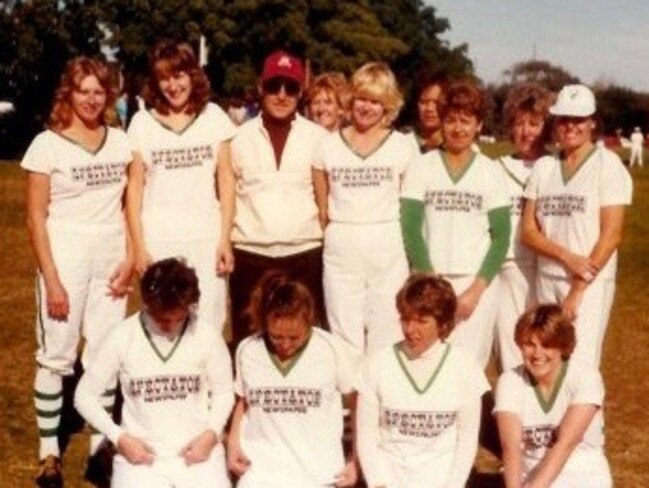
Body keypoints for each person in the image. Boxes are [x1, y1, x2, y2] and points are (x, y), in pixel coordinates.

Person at [22, 56, 133, 487]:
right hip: (65, 252)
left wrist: (128, 258)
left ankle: (100, 448)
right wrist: (51, 278)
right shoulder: (46, 145)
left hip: (110, 250)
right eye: (82, 90)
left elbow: (129, 207)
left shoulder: (121, 142)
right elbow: (34, 218)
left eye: (99, 91)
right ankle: (49, 453)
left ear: (109, 96)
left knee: (105, 352)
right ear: (67, 93)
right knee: (57, 354)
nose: (91, 99)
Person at [75, 258, 234, 487]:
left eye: (178, 318)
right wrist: (120, 438)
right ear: (147, 303)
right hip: (142, 458)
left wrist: (211, 434)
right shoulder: (123, 336)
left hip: (198, 453)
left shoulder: (206, 334)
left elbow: (224, 391)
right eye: (161, 319)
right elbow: (84, 396)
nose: (170, 325)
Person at [126, 40, 236, 334]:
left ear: (193, 76)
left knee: (209, 321)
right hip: (159, 238)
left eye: (179, 76)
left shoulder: (214, 116)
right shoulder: (141, 123)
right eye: (164, 78)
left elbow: (226, 180)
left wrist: (225, 238)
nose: (173, 86)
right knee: (164, 318)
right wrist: (138, 247)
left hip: (206, 237)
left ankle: (210, 380)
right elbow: (134, 189)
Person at [400, 79, 511, 367]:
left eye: (466, 120)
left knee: (468, 368)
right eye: (451, 120)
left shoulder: (490, 171)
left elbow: (501, 237)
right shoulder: (422, 166)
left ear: (479, 125)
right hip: (430, 278)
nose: (458, 128)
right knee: (428, 362)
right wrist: (428, 278)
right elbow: (411, 227)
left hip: (474, 284)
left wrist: (476, 291)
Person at [521, 84, 633, 367]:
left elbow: (611, 235)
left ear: (592, 122)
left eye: (579, 119)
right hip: (547, 279)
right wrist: (566, 256)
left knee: (581, 368)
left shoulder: (607, 165)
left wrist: (578, 289)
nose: (571, 126)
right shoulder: (544, 167)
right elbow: (529, 232)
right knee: (548, 365)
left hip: (588, 284)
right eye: (564, 119)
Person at [312, 62, 416, 360]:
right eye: (361, 98)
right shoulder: (328, 146)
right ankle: (352, 404)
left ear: (388, 106)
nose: (366, 107)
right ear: (350, 98)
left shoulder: (402, 146)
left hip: (387, 243)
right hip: (342, 244)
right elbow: (323, 207)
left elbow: (408, 205)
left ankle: (379, 402)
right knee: (344, 330)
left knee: (386, 327)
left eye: (375, 101)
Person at [229, 50, 328, 346]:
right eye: (274, 86)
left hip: (304, 253)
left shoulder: (318, 138)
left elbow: (326, 200)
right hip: (250, 253)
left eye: (290, 87)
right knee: (250, 342)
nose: (282, 95)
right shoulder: (238, 138)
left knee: (303, 341)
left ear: (301, 92)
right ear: (261, 88)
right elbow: (227, 196)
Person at [227, 270, 358, 487]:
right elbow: (244, 401)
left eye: (294, 337)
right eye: (276, 336)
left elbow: (355, 402)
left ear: (309, 321)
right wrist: (233, 444)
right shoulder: (248, 349)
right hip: (260, 474)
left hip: (319, 475)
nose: (285, 344)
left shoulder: (331, 348)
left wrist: (355, 459)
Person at [357, 274, 489, 488]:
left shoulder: (465, 366)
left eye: (421, 321)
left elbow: (466, 441)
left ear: (443, 324)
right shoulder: (377, 363)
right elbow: (366, 436)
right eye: (406, 319)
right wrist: (378, 483)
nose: (410, 329)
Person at [494, 304, 611, 488]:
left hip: (583, 473)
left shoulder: (586, 377)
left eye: (547, 345)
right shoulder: (510, 381)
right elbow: (510, 448)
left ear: (563, 346)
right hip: (529, 473)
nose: (537, 353)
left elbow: (566, 443)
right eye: (529, 344)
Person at [495, 83, 553, 371]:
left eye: (534, 123)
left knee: (545, 347)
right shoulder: (496, 167)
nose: (526, 131)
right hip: (508, 267)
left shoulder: (557, 166)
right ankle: (512, 412)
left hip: (548, 270)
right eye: (519, 123)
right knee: (511, 348)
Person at [413, 72, 446, 153]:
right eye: (424, 102)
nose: (429, 109)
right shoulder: (401, 143)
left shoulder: (460, 150)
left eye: (436, 102)